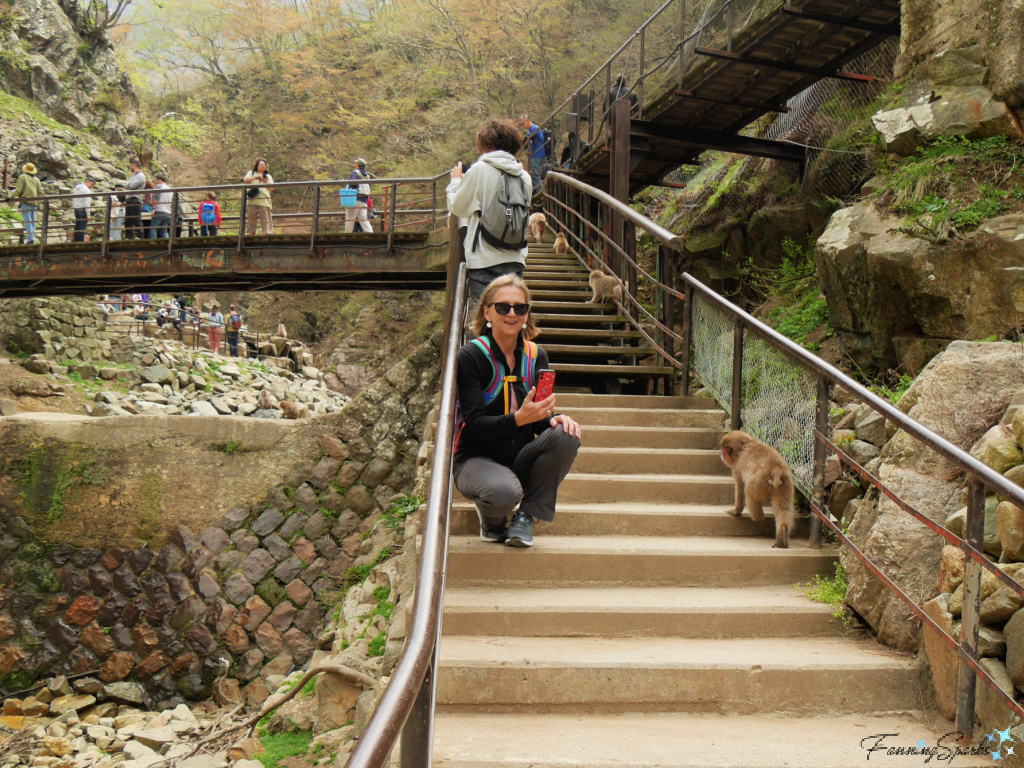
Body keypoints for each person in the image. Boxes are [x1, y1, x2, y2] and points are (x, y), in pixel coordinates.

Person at [452, 274, 581, 547]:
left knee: (566, 434)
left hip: (519, 458)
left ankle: (525, 515)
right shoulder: (471, 356)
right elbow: (474, 424)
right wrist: (518, 419)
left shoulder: (537, 357)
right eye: (503, 307)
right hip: (476, 459)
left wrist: (556, 420)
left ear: (526, 315)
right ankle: (493, 520)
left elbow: (538, 422)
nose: (512, 313)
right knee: (502, 493)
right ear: (487, 311)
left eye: (519, 308)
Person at [447, 119, 534, 312]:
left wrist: (455, 182)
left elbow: (458, 207)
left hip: (484, 260)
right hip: (515, 259)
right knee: (511, 320)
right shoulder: (525, 177)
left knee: (483, 320)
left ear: (487, 145)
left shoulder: (480, 170)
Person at [12, 163, 43, 244]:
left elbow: (18, 190)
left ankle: (30, 239)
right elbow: (40, 192)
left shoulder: (22, 177)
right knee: (33, 222)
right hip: (34, 202)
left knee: (28, 221)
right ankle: (32, 238)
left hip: (25, 202)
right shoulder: (36, 179)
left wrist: (10, 196)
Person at [244, 158, 275, 235]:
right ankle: (251, 232)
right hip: (252, 200)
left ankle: (266, 232)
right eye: (261, 164)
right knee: (251, 217)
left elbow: (272, 188)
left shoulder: (268, 176)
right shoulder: (251, 173)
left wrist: (265, 181)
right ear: (257, 166)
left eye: (264, 165)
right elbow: (245, 181)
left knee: (265, 217)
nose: (263, 166)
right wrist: (256, 177)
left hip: (264, 200)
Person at [344, 158, 374, 234]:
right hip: (364, 199)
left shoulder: (355, 172)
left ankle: (347, 235)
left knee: (350, 218)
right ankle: (370, 233)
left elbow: (352, 183)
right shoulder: (367, 175)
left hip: (355, 199)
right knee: (363, 218)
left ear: (358, 164)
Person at [518, 114, 547, 193]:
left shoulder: (534, 128)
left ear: (527, 120)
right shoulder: (532, 129)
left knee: (535, 175)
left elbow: (527, 140)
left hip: (538, 155)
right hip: (536, 155)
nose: (523, 126)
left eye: (523, 124)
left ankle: (541, 194)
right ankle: (537, 193)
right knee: (534, 175)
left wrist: (521, 149)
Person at [124, 160, 146, 239]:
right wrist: (129, 183)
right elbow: (126, 185)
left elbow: (131, 186)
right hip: (129, 199)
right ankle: (129, 237)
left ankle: (140, 237)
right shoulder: (133, 176)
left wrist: (129, 184)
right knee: (128, 221)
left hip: (136, 199)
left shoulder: (141, 176)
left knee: (137, 219)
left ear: (134, 165)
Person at [152, 174, 173, 239]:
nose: (155, 182)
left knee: (153, 228)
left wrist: (153, 208)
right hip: (168, 212)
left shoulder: (158, 187)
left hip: (160, 210)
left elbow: (156, 198)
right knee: (164, 231)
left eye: (156, 180)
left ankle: (153, 244)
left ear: (159, 180)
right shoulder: (169, 189)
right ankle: (166, 245)